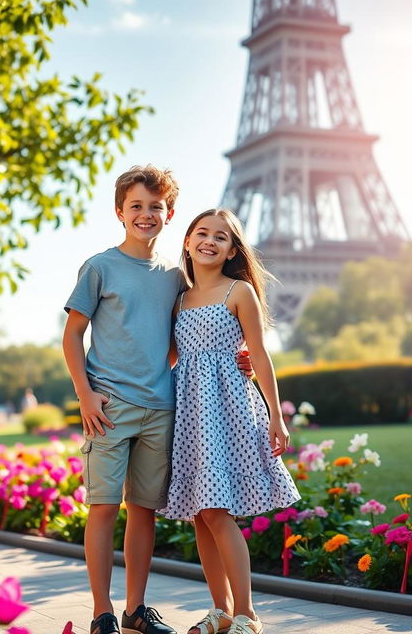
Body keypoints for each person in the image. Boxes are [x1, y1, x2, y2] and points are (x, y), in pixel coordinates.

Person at [63, 166, 253, 634]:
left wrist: (236, 359)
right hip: (107, 408)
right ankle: (101, 612)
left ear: (170, 216)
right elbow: (72, 337)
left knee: (143, 510)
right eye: (136, 206)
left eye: (155, 206)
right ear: (119, 212)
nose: (146, 214)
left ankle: (134, 611)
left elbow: (179, 339)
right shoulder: (100, 267)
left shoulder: (173, 278)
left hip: (162, 408)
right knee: (104, 507)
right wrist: (86, 396)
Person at [160, 209, 301, 634]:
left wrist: (277, 415)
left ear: (232, 250)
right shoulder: (178, 299)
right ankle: (220, 610)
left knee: (218, 511)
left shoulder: (239, 291)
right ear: (186, 242)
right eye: (201, 233)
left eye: (220, 237)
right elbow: (170, 357)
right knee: (201, 514)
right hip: (190, 414)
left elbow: (259, 354)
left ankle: (247, 614)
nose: (209, 241)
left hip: (229, 411)